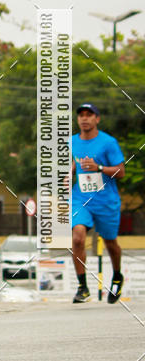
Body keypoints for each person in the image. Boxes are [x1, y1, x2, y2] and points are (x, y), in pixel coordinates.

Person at [71, 103, 125, 304]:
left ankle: (117, 276)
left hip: (105, 200)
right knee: (77, 238)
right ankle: (82, 287)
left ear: (97, 119)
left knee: (110, 243)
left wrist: (99, 168)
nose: (84, 118)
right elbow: (74, 162)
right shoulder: (71, 141)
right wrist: (69, 174)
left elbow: (121, 171)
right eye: (81, 115)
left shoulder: (108, 142)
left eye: (89, 115)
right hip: (80, 198)